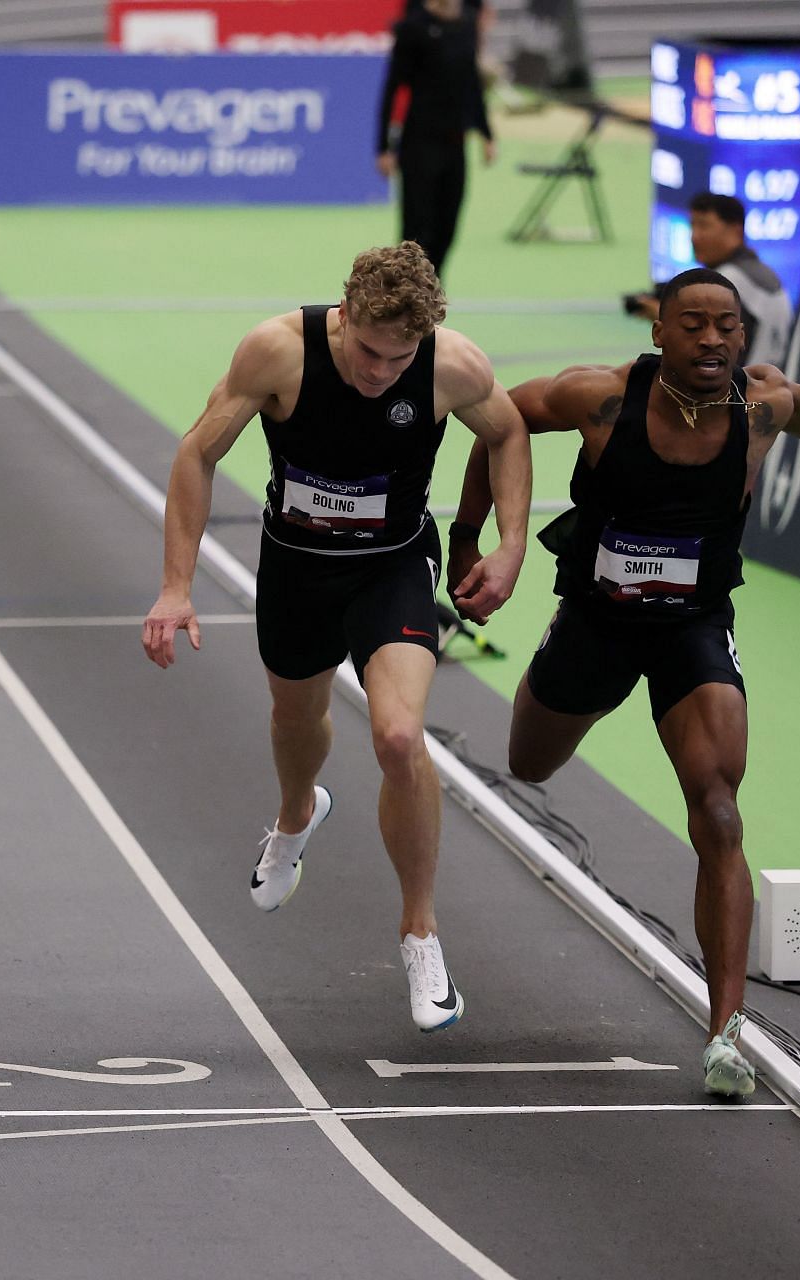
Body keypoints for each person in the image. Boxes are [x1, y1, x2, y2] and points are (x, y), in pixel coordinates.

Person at [448, 267, 800, 1094]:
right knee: (528, 764)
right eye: (694, 325)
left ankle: (726, 1033)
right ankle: (557, 672)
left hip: (693, 629)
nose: (712, 341)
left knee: (719, 808)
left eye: (727, 328)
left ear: (743, 336)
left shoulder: (758, 407)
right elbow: (499, 422)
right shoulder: (597, 399)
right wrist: (470, 535)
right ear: (658, 328)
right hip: (597, 623)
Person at [143, 242, 531, 1032]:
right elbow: (197, 451)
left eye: (400, 359)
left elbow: (509, 435)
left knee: (398, 736)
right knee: (295, 717)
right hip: (296, 567)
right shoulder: (276, 351)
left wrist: (509, 542)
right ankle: (295, 814)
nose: (381, 372)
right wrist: (176, 585)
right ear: (343, 316)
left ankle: (420, 932)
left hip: (392, 566)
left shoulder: (450, 367)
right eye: (368, 352)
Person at [376, 0, 496, 280]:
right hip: (419, 141)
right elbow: (392, 88)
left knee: (448, 225)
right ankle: (406, 295)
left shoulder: (467, 22)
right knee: (417, 229)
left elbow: (471, 83)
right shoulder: (413, 27)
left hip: (455, 142)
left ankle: (431, 292)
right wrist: (383, 146)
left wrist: (486, 132)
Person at [627, 193, 792, 365]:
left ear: (735, 230)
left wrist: (666, 321)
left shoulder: (727, 282)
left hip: (743, 387)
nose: (695, 236)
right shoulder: (761, 274)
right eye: (693, 226)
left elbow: (713, 350)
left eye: (704, 226)